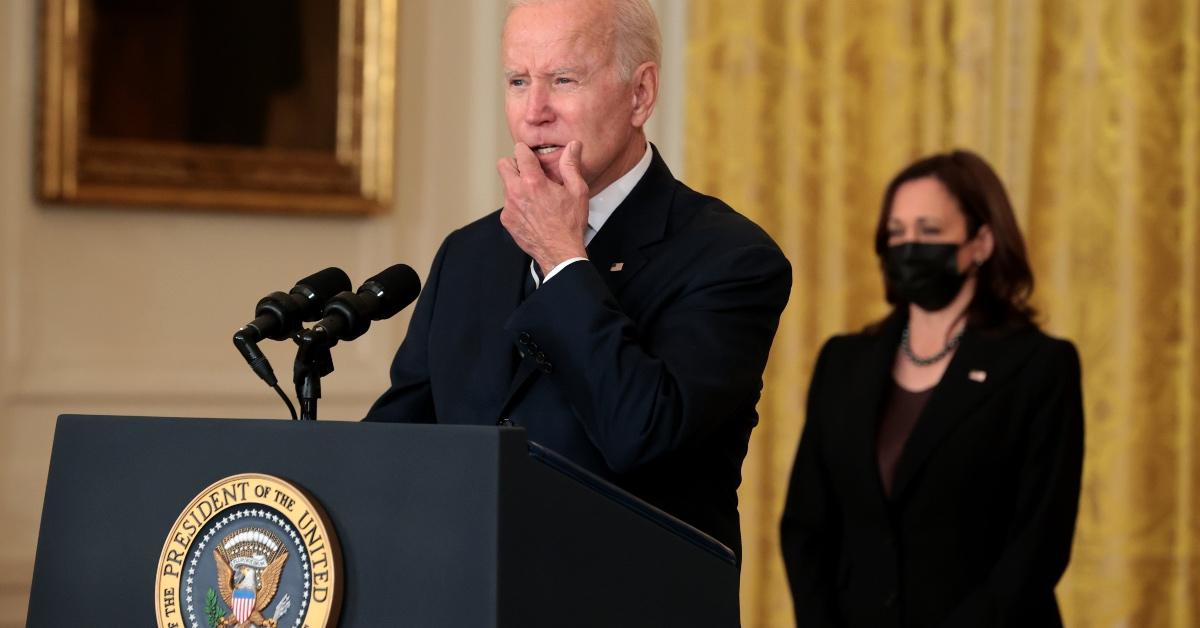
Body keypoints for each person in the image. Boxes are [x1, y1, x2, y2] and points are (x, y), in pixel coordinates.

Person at [365, 0, 791, 560]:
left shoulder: (731, 257)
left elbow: (643, 435)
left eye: (563, 79)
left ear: (640, 94)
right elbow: (395, 449)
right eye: (519, 81)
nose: (534, 111)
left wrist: (563, 258)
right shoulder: (467, 254)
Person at [780, 150, 1084, 627]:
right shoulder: (844, 362)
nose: (909, 247)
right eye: (897, 234)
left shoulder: (1039, 367)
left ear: (981, 242)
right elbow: (806, 526)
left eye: (929, 231)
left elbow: (1038, 546)